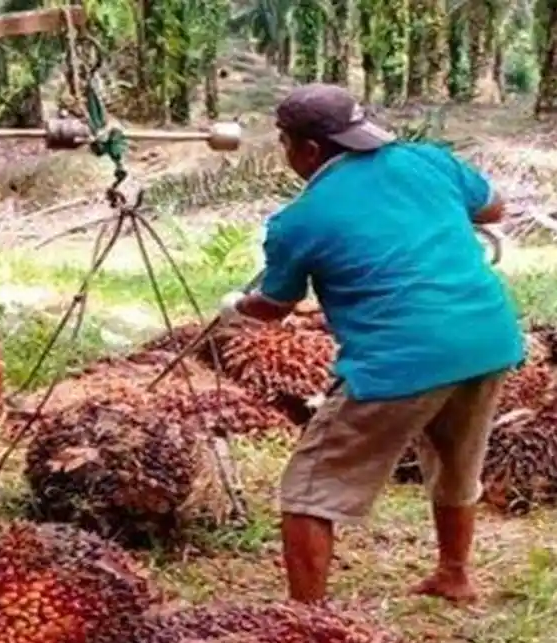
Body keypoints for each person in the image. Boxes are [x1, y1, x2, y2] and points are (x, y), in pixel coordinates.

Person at [221, 83, 524, 606]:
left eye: (284, 142)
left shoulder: (300, 220)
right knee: (457, 462)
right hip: (488, 338)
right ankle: (455, 575)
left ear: (308, 150)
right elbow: (493, 208)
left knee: (308, 492)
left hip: (400, 359)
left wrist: (233, 308)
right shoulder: (428, 162)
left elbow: (272, 308)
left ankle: (307, 621)